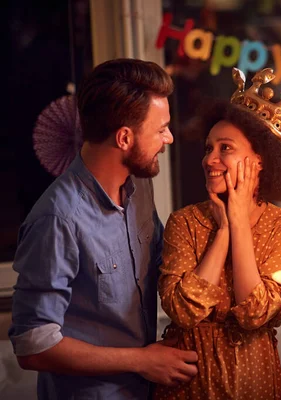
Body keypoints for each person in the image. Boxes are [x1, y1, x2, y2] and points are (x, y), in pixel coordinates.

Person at [9, 58, 199, 399]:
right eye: (160, 129)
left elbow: (161, 262)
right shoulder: (57, 219)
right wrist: (141, 361)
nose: (169, 138)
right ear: (125, 137)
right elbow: (33, 345)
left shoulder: (139, 186)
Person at [154, 67, 281, 399]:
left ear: (260, 161)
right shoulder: (185, 221)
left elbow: (255, 312)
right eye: (208, 148)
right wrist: (224, 232)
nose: (210, 159)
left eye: (225, 148)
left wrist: (239, 225)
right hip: (189, 380)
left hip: (254, 377)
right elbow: (183, 311)